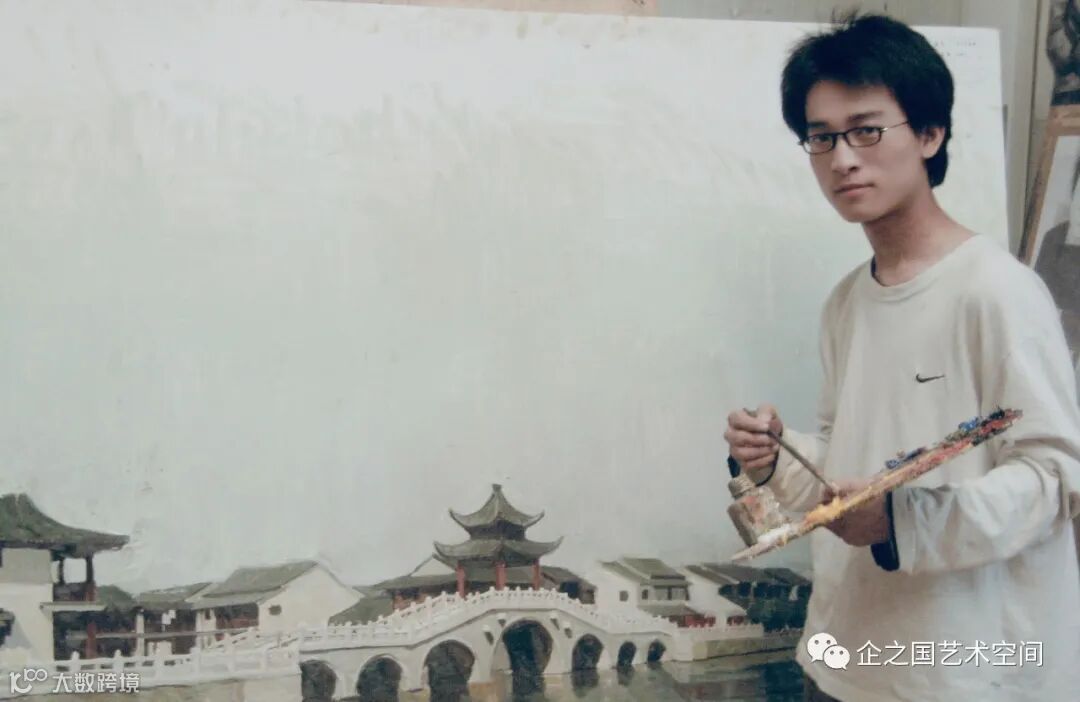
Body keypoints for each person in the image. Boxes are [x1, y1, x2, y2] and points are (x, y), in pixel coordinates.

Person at [723, 14, 1080, 702]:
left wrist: (902, 520)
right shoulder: (846, 302)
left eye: (866, 130)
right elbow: (845, 468)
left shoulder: (996, 291)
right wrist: (776, 458)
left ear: (929, 133)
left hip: (966, 674)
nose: (842, 159)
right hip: (845, 660)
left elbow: (1055, 478)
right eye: (821, 137)